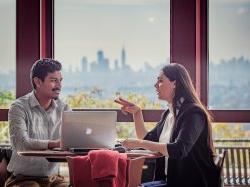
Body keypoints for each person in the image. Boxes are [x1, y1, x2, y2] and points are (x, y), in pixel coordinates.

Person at [115, 63, 220, 187]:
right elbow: (148, 140)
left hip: (191, 183)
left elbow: (179, 150)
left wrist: (138, 143)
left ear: (175, 84)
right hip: (169, 181)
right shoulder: (169, 114)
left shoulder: (193, 113)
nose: (155, 85)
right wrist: (137, 113)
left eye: (160, 81)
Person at [5, 58, 70, 187]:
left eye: (60, 80)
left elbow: (71, 141)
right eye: (53, 80)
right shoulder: (18, 107)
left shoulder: (64, 108)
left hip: (53, 179)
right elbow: (20, 143)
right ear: (37, 81)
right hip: (22, 178)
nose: (59, 85)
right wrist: (54, 144)